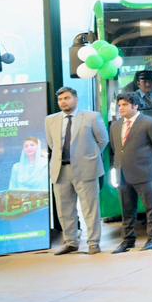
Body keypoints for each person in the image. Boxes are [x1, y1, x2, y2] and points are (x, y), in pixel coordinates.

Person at [45, 87, 107, 255]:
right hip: (60, 170)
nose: (63, 102)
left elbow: (103, 140)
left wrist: (89, 157)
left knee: (90, 209)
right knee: (64, 210)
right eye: (60, 99)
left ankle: (93, 243)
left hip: (86, 169)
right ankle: (70, 242)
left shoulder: (91, 117)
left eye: (66, 98)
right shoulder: (50, 120)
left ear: (76, 99)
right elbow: (52, 145)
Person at [109, 92, 152, 252]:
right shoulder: (115, 126)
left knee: (151, 207)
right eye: (119, 105)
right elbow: (116, 148)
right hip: (122, 173)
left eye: (125, 105)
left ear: (135, 106)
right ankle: (128, 240)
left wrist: (149, 162)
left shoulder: (150, 123)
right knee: (127, 209)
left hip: (144, 172)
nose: (121, 108)